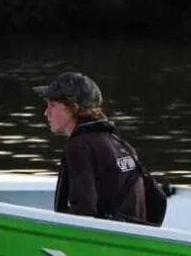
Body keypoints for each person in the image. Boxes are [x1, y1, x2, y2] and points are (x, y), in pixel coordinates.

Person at [33, 71, 147, 223]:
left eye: (52, 105)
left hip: (108, 239)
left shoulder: (79, 146)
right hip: (135, 234)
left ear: (73, 108)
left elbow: (84, 211)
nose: (46, 112)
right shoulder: (120, 144)